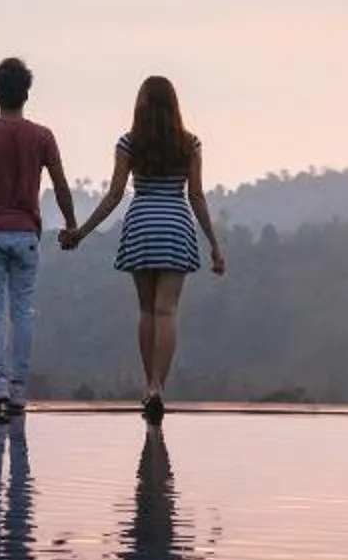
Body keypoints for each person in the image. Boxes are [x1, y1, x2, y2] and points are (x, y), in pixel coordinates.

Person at [61, 74, 225, 422]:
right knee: (167, 311)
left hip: (141, 226)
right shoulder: (190, 144)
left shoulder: (129, 143)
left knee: (147, 311)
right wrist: (213, 243)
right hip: (176, 227)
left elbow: (115, 194)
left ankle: (148, 384)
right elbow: (196, 195)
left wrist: (82, 233)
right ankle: (157, 387)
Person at [0, 57, 76, 424]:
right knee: (22, 310)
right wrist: (72, 224)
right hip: (25, 231)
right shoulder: (42, 136)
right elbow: (60, 183)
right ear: (26, 94)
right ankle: (19, 387)